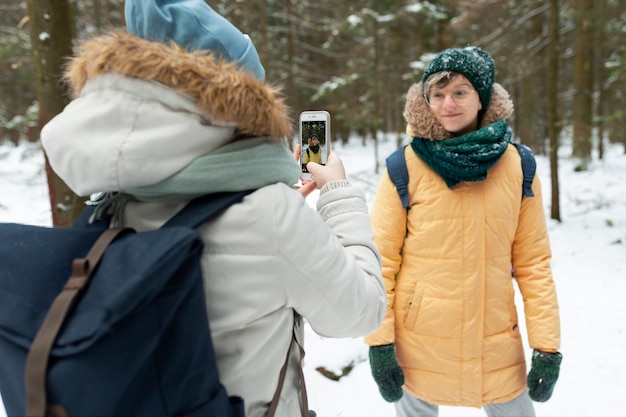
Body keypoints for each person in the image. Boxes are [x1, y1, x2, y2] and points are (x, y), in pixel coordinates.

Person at [40, 1, 386, 416]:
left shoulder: (114, 196)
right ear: (239, 98)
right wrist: (338, 195)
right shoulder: (270, 217)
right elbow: (358, 312)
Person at [364, 46, 562, 417]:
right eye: (437, 94)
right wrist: (379, 344)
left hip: (495, 343)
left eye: (460, 92)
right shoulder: (403, 167)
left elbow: (534, 264)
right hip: (417, 343)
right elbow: (381, 263)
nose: (447, 104)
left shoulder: (519, 165)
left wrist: (547, 348)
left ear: (482, 96)